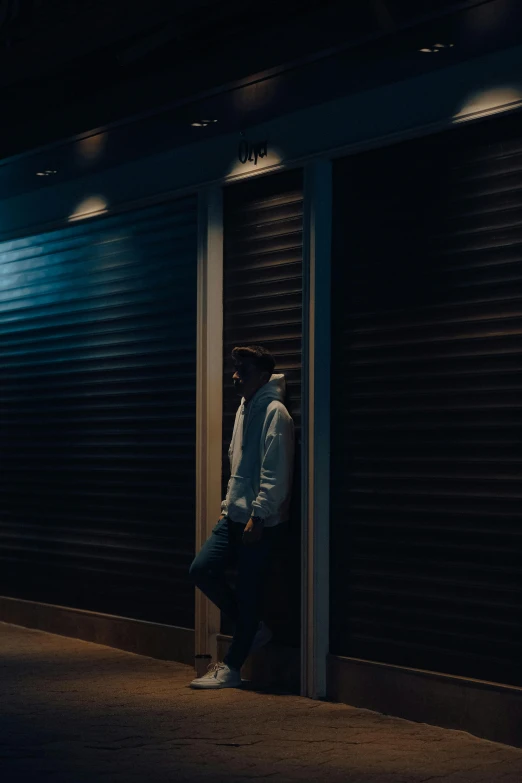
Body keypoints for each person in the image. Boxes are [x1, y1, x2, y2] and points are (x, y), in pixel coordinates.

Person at [188, 345, 295, 689]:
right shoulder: (244, 408)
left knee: (250, 592)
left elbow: (275, 470)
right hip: (233, 515)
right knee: (202, 569)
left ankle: (232, 667)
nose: (235, 377)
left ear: (263, 377)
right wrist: (227, 507)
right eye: (235, 370)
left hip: (257, 522)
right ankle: (254, 628)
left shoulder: (275, 413)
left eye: (243, 372)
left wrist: (259, 515)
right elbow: (236, 465)